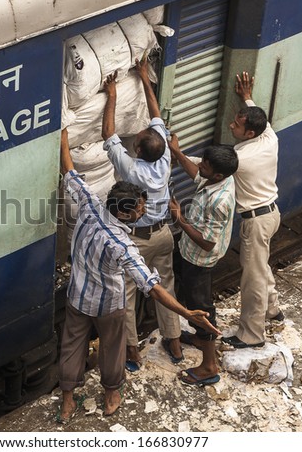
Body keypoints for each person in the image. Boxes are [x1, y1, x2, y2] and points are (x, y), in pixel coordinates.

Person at [57, 128, 221, 423]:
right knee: (112, 348)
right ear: (124, 214)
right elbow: (154, 288)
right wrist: (187, 312)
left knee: (71, 345)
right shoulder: (122, 246)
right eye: (140, 210)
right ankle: (111, 393)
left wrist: (63, 136)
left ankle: (68, 401)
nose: (143, 212)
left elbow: (69, 170)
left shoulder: (89, 205)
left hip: (77, 298)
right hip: (108, 306)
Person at [102, 55, 182, 372]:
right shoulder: (163, 156)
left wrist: (112, 95)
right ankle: (174, 343)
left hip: (137, 240)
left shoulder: (132, 169)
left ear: (137, 150)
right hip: (164, 235)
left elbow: (108, 134)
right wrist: (145, 78)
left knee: (127, 296)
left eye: (134, 141)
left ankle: (132, 353)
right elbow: (156, 113)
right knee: (166, 287)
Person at [168, 138, 238, 385]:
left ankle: (209, 366)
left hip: (200, 259)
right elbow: (196, 173)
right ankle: (199, 338)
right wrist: (177, 152)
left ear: (217, 174)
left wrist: (179, 219)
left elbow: (207, 242)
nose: (200, 168)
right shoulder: (217, 178)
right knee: (191, 298)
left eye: (205, 167)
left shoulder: (220, 201)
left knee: (201, 309)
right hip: (189, 252)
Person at [221, 71, 283, 349]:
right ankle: (273, 311)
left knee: (252, 278)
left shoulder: (240, 158)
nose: (232, 125)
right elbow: (261, 120)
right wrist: (246, 97)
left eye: (237, 124)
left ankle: (252, 335)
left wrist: (176, 154)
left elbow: (208, 167)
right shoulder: (269, 137)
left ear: (249, 134)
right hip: (271, 214)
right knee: (260, 266)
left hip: (256, 221)